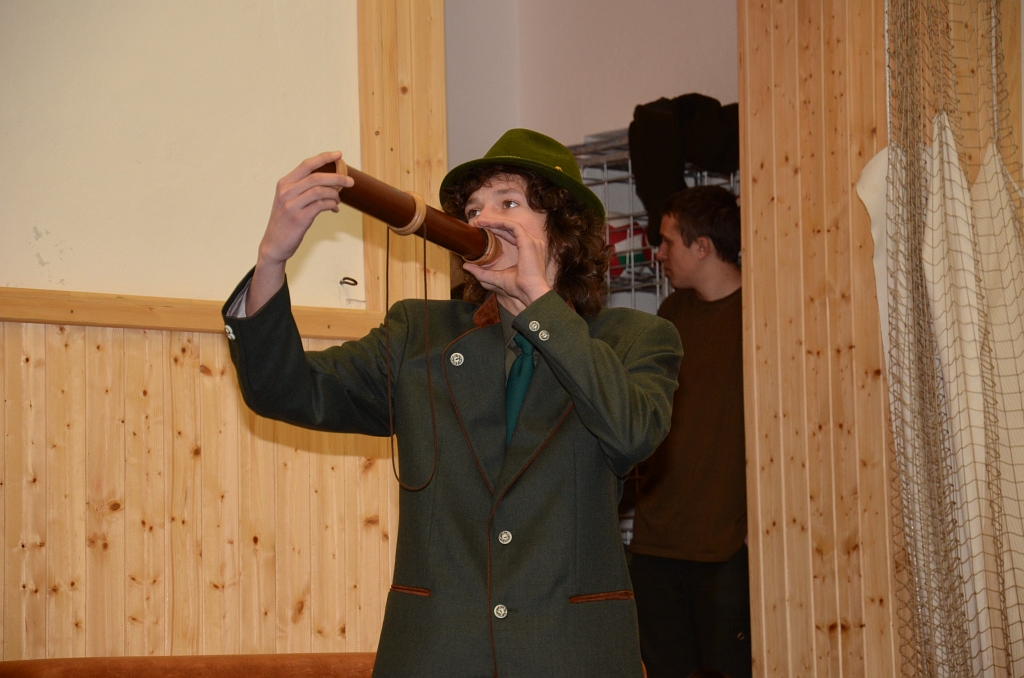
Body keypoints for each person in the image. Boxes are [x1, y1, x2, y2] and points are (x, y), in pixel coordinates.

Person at [220, 128, 683, 677]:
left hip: (571, 656)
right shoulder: (419, 335)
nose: (483, 220)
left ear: (563, 232)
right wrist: (271, 258)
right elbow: (283, 389)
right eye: (473, 209)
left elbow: (632, 432)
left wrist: (539, 302)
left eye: (508, 203)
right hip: (437, 656)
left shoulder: (634, 339)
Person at [628, 186, 750, 678]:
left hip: (723, 546)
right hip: (655, 542)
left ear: (702, 247)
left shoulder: (760, 316)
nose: (658, 254)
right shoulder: (671, 315)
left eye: (667, 241)